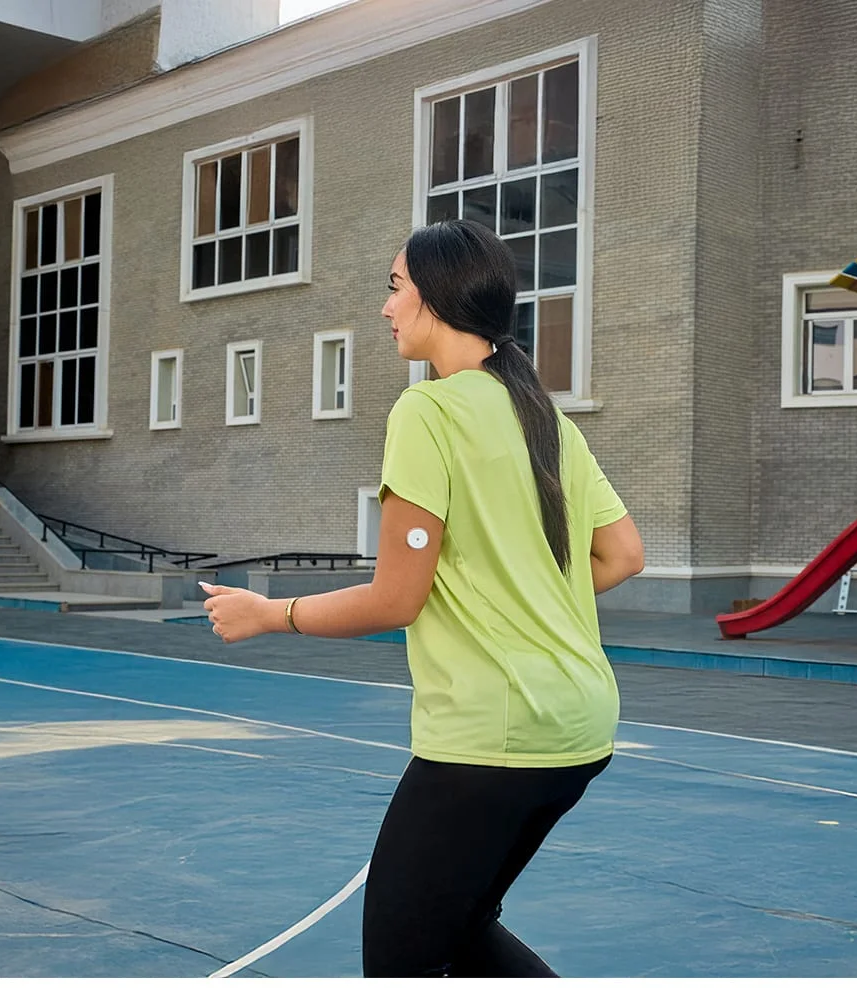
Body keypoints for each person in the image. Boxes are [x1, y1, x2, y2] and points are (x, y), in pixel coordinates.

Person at [201, 218, 645, 977]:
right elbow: (624, 554)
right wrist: (518, 593)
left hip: (491, 735)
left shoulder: (427, 412)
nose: (386, 307)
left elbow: (396, 598)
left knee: (400, 962)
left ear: (436, 296)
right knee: (464, 930)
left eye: (395, 286)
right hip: (581, 726)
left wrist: (269, 613)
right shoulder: (547, 418)